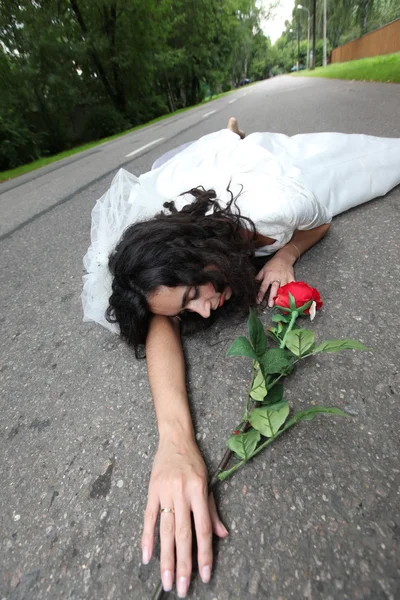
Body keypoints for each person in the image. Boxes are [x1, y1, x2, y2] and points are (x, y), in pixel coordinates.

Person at [82, 118, 400, 597]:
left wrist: (286, 254)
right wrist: (174, 439)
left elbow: (319, 221)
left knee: (371, 166)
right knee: (210, 152)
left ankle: (232, 135)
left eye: (194, 292)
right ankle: (224, 135)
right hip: (194, 186)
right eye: (186, 307)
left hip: (254, 173)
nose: (203, 311)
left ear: (202, 252)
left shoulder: (270, 206)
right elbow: (159, 322)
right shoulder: (163, 273)